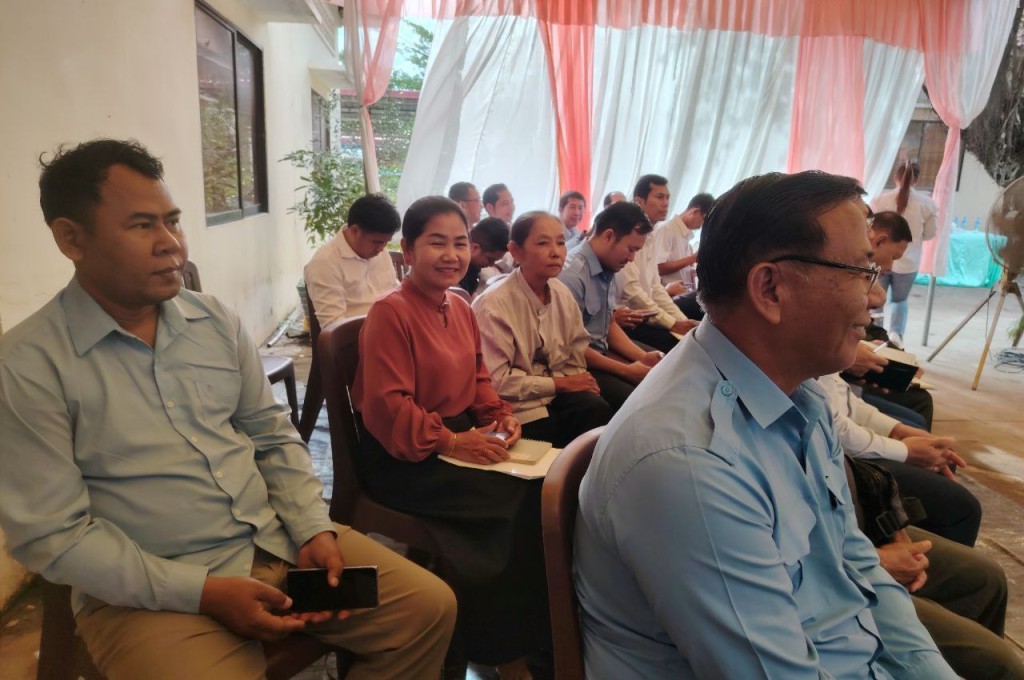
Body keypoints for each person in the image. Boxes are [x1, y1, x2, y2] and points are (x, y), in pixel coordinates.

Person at [0, 139, 456, 680]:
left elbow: (271, 434)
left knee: (428, 610)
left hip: (277, 541)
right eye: (142, 226)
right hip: (151, 591)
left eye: (173, 221)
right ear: (70, 238)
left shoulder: (213, 321)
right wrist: (204, 592)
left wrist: (313, 529)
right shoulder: (29, 364)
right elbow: (54, 535)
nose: (171, 245)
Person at [575, 170, 956, 678]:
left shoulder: (800, 395)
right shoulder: (688, 462)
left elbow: (854, 561)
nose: (874, 298)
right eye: (861, 271)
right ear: (770, 288)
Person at [351, 196, 548, 680]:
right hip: (404, 455)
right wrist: (454, 443)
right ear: (407, 250)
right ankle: (502, 653)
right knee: (507, 504)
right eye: (436, 243)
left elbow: (479, 376)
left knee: (541, 489)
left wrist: (500, 415)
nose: (451, 255)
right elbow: (390, 409)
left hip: (455, 435)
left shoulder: (458, 305)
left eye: (460, 243)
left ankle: (525, 637)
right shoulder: (390, 313)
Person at [822, 210, 981, 547]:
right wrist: (905, 450)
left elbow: (843, 403)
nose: (870, 304)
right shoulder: (803, 352)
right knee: (962, 509)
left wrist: (900, 433)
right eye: (861, 270)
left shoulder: (815, 348)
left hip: (844, 463)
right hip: (841, 466)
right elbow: (837, 430)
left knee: (919, 426)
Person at [844, 456, 1024, 680]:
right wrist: (878, 560)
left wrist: (890, 517)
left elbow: (845, 472)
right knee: (1000, 664)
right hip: (839, 577)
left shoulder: (817, 437)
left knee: (986, 577)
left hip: (854, 540)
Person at [473, 211, 613, 447]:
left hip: (556, 394)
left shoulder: (561, 293)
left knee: (600, 412)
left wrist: (575, 384)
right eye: (543, 243)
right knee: (565, 438)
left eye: (560, 242)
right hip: (516, 408)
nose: (556, 252)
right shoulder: (493, 305)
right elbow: (496, 382)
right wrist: (561, 384)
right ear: (516, 251)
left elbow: (575, 352)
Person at [559, 202, 663, 412]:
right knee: (645, 402)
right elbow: (570, 347)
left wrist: (641, 357)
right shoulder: (572, 276)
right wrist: (625, 370)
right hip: (576, 362)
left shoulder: (607, 266)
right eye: (631, 249)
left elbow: (609, 324)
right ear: (608, 236)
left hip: (600, 351)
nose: (632, 258)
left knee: (663, 367)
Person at [616, 174, 698, 353]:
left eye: (667, 198)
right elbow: (632, 293)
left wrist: (681, 321)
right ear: (639, 202)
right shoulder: (629, 236)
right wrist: (673, 323)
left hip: (648, 313)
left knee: (693, 337)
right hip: (628, 320)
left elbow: (655, 287)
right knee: (680, 348)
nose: (666, 203)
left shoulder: (651, 236)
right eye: (660, 197)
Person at [303, 193, 400, 327]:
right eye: (377, 242)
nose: (381, 249)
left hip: (392, 327)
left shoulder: (378, 251)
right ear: (354, 231)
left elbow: (394, 290)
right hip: (357, 335)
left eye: (386, 242)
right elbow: (334, 326)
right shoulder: (325, 263)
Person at [869, 160, 938, 344]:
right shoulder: (928, 204)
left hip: (878, 261)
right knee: (899, 301)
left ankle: (874, 334)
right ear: (917, 180)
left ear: (895, 177)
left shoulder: (879, 200)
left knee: (874, 298)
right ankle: (896, 335)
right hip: (909, 263)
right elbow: (930, 233)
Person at [655, 192, 714, 320]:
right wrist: (692, 258)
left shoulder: (685, 236)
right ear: (695, 211)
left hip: (681, 293)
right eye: (704, 220)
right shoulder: (667, 229)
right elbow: (658, 267)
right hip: (667, 295)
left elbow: (684, 269)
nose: (702, 226)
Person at [458, 217, 510, 296]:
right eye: (490, 259)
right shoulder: (455, 272)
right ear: (474, 248)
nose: (491, 265)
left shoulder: (474, 268)